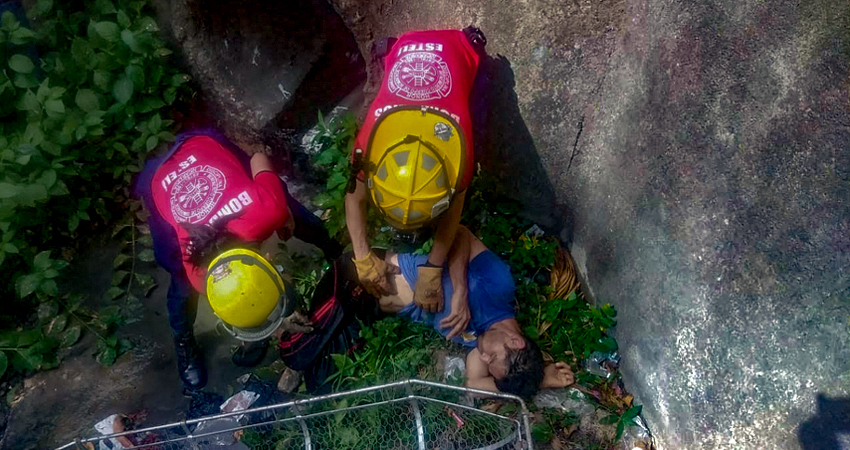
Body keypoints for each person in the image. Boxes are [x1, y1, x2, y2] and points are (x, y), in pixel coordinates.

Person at [135, 129, 342, 390]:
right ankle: (183, 337)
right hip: (159, 182)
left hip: (204, 146)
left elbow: (258, 158)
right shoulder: (197, 274)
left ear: (268, 258)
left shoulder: (263, 211)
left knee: (283, 205)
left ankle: (336, 248)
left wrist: (285, 211)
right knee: (178, 281)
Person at [278, 226, 573, 398]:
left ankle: (302, 326)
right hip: (359, 277)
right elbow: (460, 233)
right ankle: (285, 315)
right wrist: (460, 291)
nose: (483, 358)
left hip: (366, 312)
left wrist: (539, 381)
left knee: (320, 382)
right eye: (492, 357)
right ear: (515, 342)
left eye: (488, 362)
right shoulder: (499, 288)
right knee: (297, 354)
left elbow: (474, 384)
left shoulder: (479, 341)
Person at [345, 27, 487, 321]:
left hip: (455, 46)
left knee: (475, 79)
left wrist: (433, 268)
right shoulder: (367, 145)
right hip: (406, 48)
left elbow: (451, 216)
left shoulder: (461, 153)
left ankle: (465, 44)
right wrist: (362, 257)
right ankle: (398, 48)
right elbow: (353, 197)